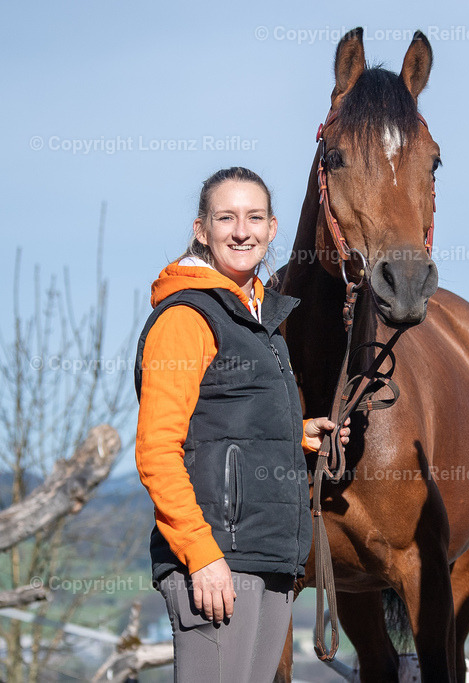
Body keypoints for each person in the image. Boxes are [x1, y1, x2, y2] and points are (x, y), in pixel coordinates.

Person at [134, 167, 347, 681]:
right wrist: (201, 555)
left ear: (273, 229)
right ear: (201, 230)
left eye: (254, 217)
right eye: (225, 217)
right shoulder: (187, 317)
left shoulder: (258, 319)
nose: (241, 230)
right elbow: (158, 450)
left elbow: (225, 422)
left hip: (271, 554)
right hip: (216, 557)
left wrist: (296, 435)